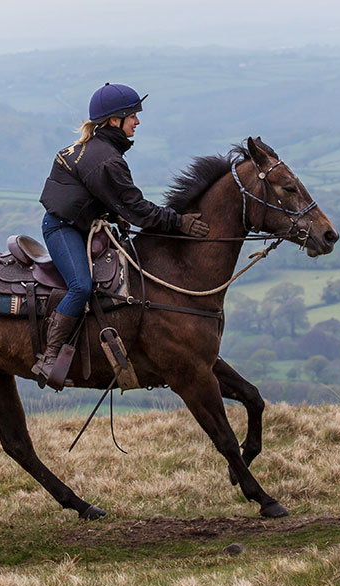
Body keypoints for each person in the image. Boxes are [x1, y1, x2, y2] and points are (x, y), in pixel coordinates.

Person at [32, 83, 210, 382]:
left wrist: (114, 214)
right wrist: (179, 222)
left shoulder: (100, 151)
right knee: (80, 287)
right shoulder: (106, 160)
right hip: (63, 229)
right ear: (114, 120)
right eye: (133, 116)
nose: (137, 122)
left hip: (82, 225)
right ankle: (49, 358)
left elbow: (99, 197)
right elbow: (138, 208)